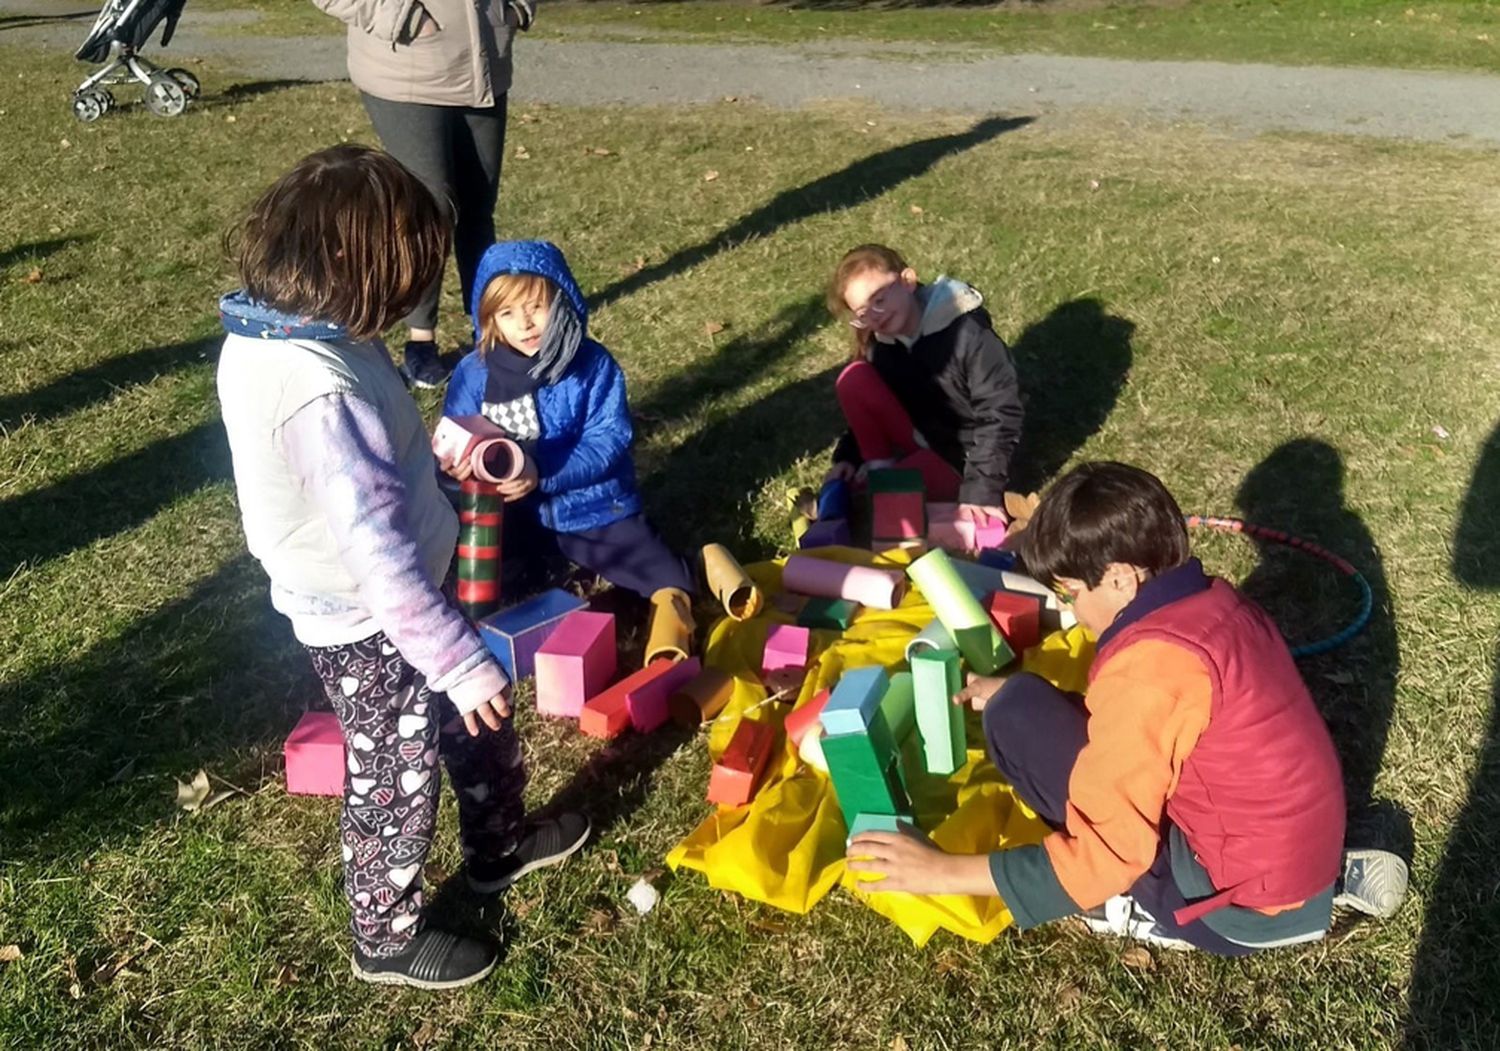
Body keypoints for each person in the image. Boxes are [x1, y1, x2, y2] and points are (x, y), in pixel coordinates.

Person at [216, 146, 587, 990]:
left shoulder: (294, 327)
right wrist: (451, 657)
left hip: (415, 586)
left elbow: (383, 457)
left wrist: (458, 448)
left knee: (476, 718)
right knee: (395, 764)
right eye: (403, 283)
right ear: (353, 269)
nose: (406, 304)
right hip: (371, 614)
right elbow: (374, 551)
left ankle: (497, 844)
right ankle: (382, 935)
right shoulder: (318, 391)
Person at [847, 461, 1406, 953]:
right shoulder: (1218, 601)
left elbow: (1108, 852)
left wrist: (940, 870)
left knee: (1016, 719)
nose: (1071, 609)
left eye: (1070, 593)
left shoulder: (1150, 668)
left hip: (1232, 910)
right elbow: (1161, 725)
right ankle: (1324, 885)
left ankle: (1142, 913)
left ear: (1118, 577)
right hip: (1290, 864)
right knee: (1021, 698)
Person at [442, 240, 697, 660]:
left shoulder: (592, 365)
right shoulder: (475, 372)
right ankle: (531, 574)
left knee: (664, 574)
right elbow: (456, 429)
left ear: (562, 302)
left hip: (590, 508)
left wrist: (542, 471)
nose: (525, 324)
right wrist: (457, 462)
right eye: (508, 314)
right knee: (481, 586)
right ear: (489, 320)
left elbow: (607, 439)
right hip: (508, 513)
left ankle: (677, 588)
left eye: (536, 307)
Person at [311, 0, 537, 388]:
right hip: (406, 70)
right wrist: (404, 18)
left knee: (478, 208)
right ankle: (421, 341)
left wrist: (516, 8)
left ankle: (490, 331)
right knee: (428, 209)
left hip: (484, 66)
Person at [825, 243, 1024, 529]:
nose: (875, 315)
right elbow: (876, 406)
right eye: (863, 313)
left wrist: (981, 491)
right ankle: (878, 467)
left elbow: (1000, 412)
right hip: (922, 440)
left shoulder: (968, 333)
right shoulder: (881, 345)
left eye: (879, 299)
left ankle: (885, 482)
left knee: (879, 503)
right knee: (853, 379)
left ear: (907, 280)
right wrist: (848, 456)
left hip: (967, 459)